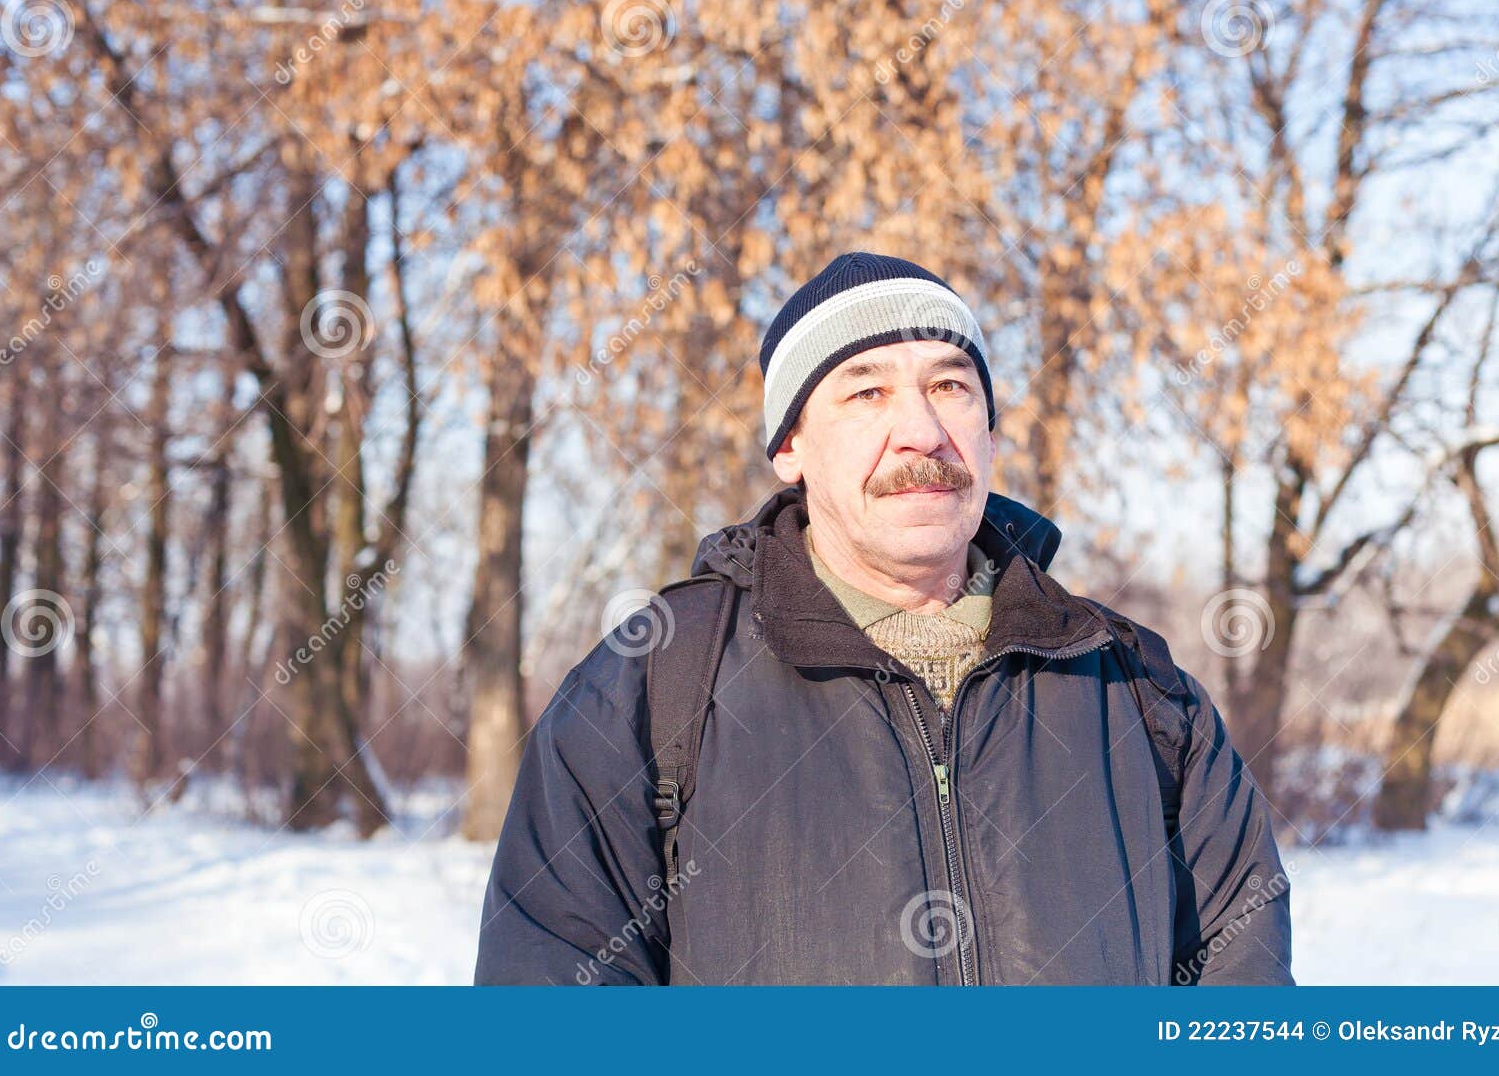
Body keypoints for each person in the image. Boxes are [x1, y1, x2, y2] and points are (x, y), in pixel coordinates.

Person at [475, 251, 1293, 985]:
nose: (923, 430)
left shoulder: (1134, 688)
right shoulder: (652, 688)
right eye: (867, 390)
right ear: (790, 445)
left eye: (950, 386)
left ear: (989, 433)